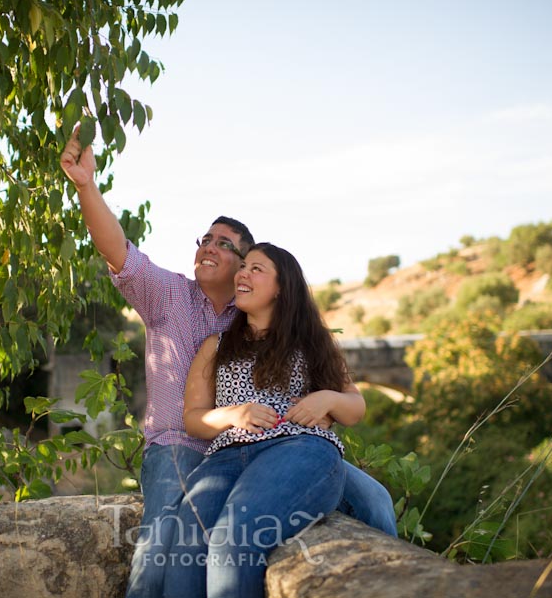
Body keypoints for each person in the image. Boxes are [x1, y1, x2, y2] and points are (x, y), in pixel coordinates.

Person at [59, 130, 397, 598]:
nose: (209, 247)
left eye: (224, 243)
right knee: (163, 554)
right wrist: (85, 187)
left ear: (246, 265)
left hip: (276, 444)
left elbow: (338, 392)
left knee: (374, 499)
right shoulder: (170, 295)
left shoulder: (261, 317)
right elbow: (118, 252)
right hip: (185, 445)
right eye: (205, 239)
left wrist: (321, 400)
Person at [162, 242, 364, 598]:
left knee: (234, 538)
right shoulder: (217, 344)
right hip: (224, 460)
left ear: (282, 287)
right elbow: (193, 420)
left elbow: (355, 408)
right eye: (243, 267)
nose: (243, 273)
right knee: (185, 556)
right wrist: (232, 414)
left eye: (257, 269)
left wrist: (327, 399)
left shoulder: (313, 342)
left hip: (295, 449)